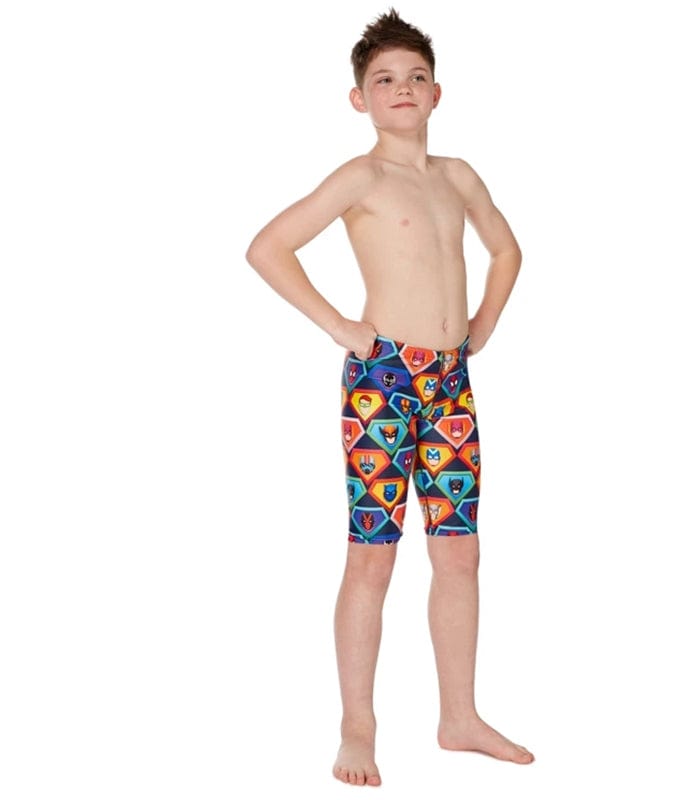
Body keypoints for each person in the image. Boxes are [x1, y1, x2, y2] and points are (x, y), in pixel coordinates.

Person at [245, 8, 533, 787]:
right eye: (383, 80)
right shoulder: (361, 177)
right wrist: (342, 327)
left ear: (437, 92)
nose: (401, 88)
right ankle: (357, 727)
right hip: (384, 384)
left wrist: (481, 324)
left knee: (460, 551)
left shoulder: (458, 176)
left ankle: (459, 716)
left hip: (450, 383)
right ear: (359, 99)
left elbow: (506, 248)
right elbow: (268, 248)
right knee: (373, 555)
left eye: (415, 77)